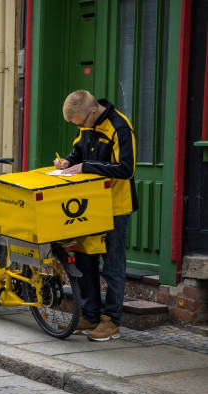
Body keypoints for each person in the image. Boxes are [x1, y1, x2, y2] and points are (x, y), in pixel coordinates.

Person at [55, 89, 138, 341]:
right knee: (85, 259)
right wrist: (69, 162)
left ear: (93, 111)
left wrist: (86, 167)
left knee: (112, 265)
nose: (79, 127)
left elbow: (126, 169)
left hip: (114, 207)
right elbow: (79, 152)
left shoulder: (119, 127)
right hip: (88, 206)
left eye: (80, 123)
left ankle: (111, 321)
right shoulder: (87, 125)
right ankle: (90, 315)